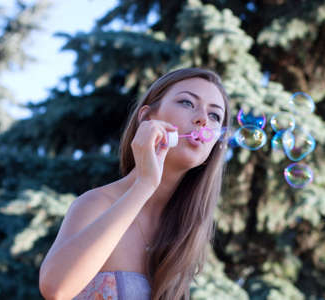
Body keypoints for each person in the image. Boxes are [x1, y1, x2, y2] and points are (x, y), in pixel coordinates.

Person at [39, 67, 232, 300]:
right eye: (187, 103)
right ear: (147, 118)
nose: (203, 119)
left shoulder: (185, 230)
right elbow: (56, 289)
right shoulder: (98, 203)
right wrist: (144, 184)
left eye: (215, 116)